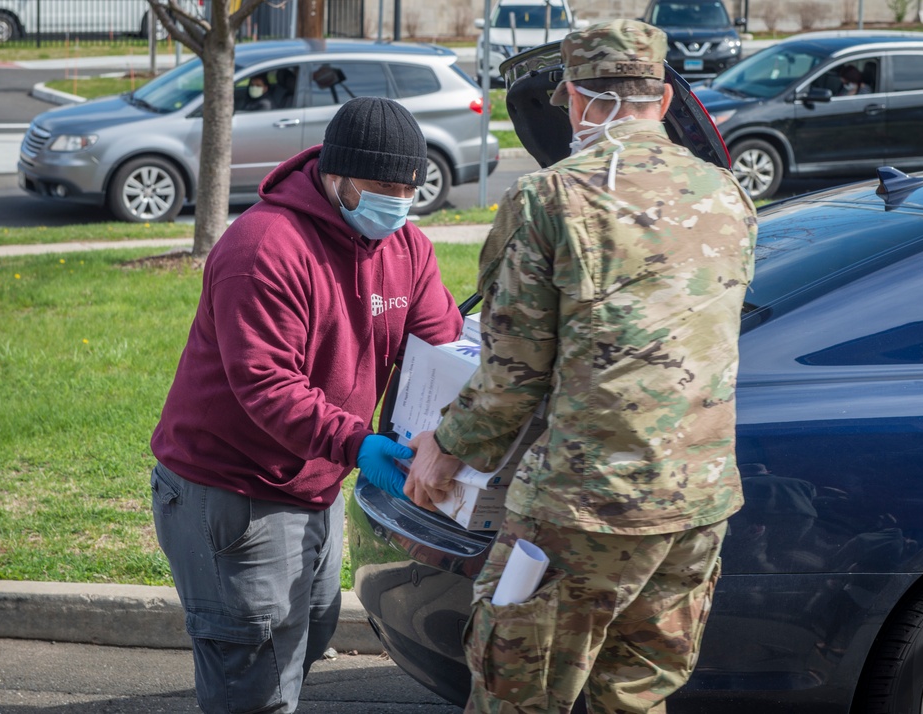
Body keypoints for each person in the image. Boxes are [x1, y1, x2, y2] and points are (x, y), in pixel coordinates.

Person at [404, 18, 758, 714]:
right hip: (698, 506)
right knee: (633, 698)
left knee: (520, 697)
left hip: (584, 510)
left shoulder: (550, 200)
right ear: (661, 101)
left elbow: (512, 375)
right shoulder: (729, 196)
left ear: (574, 98)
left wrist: (444, 449)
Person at [149, 96, 462, 713]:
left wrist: (453, 421)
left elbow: (443, 342)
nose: (397, 201)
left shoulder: (407, 247)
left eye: (409, 187)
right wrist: (358, 443)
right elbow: (266, 385)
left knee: (308, 635)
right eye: (380, 186)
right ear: (335, 175)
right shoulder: (264, 249)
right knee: (256, 676)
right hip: (235, 489)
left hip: (316, 480)